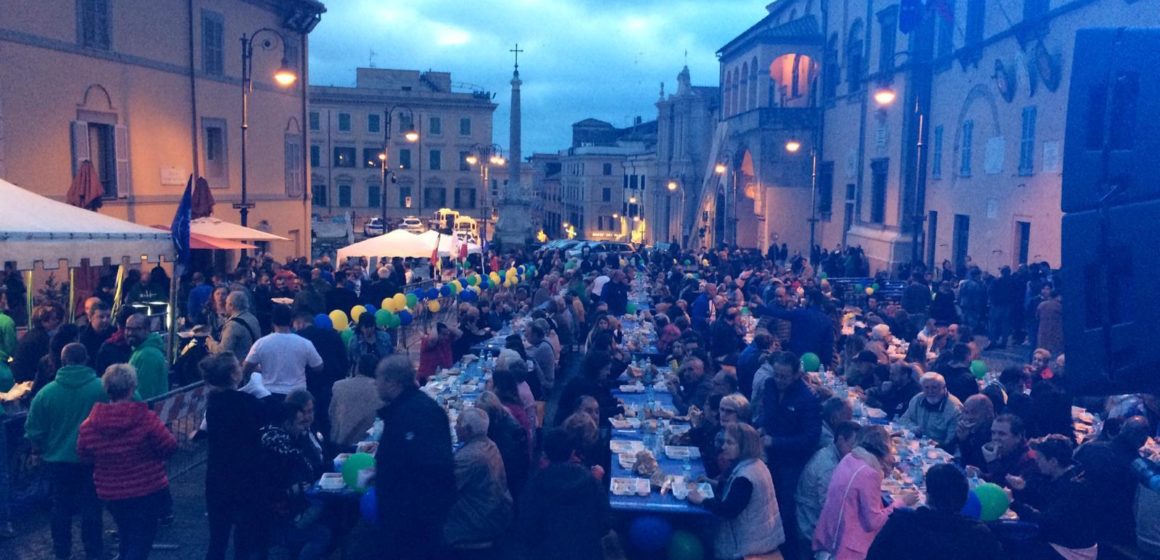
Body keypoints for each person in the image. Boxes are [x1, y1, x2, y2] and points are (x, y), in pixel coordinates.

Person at [76, 363, 177, 560]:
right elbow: (169, 446)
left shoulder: (89, 425)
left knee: (126, 533)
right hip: (146, 487)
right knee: (141, 541)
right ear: (132, 388)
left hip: (110, 490)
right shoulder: (146, 419)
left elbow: (84, 454)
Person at [24, 343, 106, 560]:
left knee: (61, 508)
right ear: (86, 359)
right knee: (92, 507)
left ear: (62, 361)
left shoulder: (46, 393)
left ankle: (62, 551)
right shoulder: (101, 388)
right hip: (92, 459)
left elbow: (34, 428)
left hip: (58, 460)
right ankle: (94, 551)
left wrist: (36, 452)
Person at [374, 355, 456, 560]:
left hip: (411, 518)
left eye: (378, 379)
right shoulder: (421, 407)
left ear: (392, 382)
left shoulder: (409, 414)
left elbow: (427, 464)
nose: (375, 384)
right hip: (418, 512)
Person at [813, 426, 918, 560]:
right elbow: (874, 522)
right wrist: (902, 502)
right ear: (884, 449)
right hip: (843, 550)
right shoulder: (869, 474)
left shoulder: (850, 458)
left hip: (828, 538)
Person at [201, 352, 266, 560]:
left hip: (217, 474)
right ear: (232, 375)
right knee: (244, 536)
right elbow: (268, 414)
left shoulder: (213, 404)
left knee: (218, 537)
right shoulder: (247, 402)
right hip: (245, 474)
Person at [690, 422, 786, 559]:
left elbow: (729, 510)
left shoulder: (745, 477)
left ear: (744, 446)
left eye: (730, 443)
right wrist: (712, 483)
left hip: (747, 546)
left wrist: (702, 500)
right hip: (763, 539)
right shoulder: (756, 465)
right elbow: (736, 493)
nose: (724, 447)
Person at [866, 464, 1002, 560]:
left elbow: (875, 556)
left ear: (928, 495)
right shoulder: (979, 535)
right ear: (965, 498)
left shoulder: (902, 522)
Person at [759, 351, 821, 560]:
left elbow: (811, 438)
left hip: (791, 463)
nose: (779, 380)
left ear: (796, 375)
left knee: (785, 509)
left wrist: (776, 441)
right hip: (768, 455)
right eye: (776, 374)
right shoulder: (769, 386)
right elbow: (766, 413)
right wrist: (761, 428)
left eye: (784, 376)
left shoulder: (807, 399)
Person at [518, 428, 609, 560]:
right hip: (586, 552)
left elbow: (527, 526)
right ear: (572, 452)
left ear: (545, 453)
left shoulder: (535, 484)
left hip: (545, 553)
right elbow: (605, 522)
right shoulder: (591, 481)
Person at [1009, 435, 1098, 560]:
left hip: (1072, 550)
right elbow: (1044, 497)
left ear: (1053, 462)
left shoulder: (1074, 487)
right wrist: (1024, 488)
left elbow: (1045, 521)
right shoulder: (1062, 477)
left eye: (1040, 458)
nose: (1037, 462)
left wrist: (1013, 503)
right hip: (1060, 539)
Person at [443, 408, 513, 558]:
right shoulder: (490, 444)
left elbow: (443, 488)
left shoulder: (469, 458)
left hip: (477, 521)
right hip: (495, 511)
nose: (455, 426)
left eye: (458, 423)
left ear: (468, 430)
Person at [1073, 416, 1151, 547]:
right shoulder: (1138, 467)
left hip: (1079, 513)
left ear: (1121, 430)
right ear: (1143, 442)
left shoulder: (1089, 448)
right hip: (1113, 526)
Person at [797, 421, 862, 546]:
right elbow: (829, 508)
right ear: (841, 439)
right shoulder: (828, 467)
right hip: (811, 522)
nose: (856, 452)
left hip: (812, 513)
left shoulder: (831, 453)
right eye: (853, 445)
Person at [243, 304, 323, 400]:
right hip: (297, 395)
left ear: (272, 322)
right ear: (290, 321)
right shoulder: (304, 343)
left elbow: (246, 367)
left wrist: (262, 368)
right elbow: (318, 366)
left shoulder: (261, 343)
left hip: (269, 394)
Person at [293, 310, 349, 443]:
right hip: (333, 384)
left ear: (300, 323)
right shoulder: (333, 335)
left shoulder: (299, 338)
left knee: (311, 421)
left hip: (310, 385)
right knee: (330, 419)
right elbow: (344, 360)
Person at [475, 391, 531, 501]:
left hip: (509, 477)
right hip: (516, 472)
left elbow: (503, 463)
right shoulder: (504, 417)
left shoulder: (505, 432)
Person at [329, 354, 384, 448]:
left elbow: (331, 413)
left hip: (339, 443)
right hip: (369, 445)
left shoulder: (338, 386)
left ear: (357, 367)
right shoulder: (382, 390)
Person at [898, 372, 962, 446]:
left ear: (944, 388)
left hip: (939, 449)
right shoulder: (917, 399)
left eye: (934, 387)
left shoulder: (954, 408)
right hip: (916, 443)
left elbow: (951, 441)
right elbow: (903, 420)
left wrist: (938, 445)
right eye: (926, 387)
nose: (930, 391)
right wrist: (913, 427)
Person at [12, 303, 62, 382]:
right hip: (28, 378)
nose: (57, 321)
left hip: (21, 376)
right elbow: (45, 364)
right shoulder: (41, 338)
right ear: (44, 322)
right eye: (53, 319)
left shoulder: (33, 334)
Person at [207, 290, 261, 362]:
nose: (225, 305)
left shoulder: (232, 325)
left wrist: (210, 343)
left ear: (231, 306)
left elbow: (223, 351)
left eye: (226, 303)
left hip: (238, 366)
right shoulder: (253, 318)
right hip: (252, 363)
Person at [125, 313, 169, 399]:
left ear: (147, 330)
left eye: (136, 329)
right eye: (128, 328)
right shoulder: (141, 350)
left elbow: (144, 393)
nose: (130, 333)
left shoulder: (148, 355)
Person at [77, 301, 114, 366]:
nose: (105, 320)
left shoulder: (115, 334)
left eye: (108, 316)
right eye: (101, 317)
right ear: (90, 318)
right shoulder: (80, 335)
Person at [527, 321, 557, 395]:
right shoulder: (545, 340)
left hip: (545, 383)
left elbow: (530, 357)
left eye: (528, 335)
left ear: (535, 335)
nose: (526, 337)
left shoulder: (542, 348)